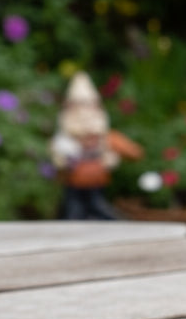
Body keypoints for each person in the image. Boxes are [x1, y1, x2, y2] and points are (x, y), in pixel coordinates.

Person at [49, 71, 143, 220]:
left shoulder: (104, 138)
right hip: (74, 182)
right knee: (74, 210)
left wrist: (110, 159)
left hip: (96, 182)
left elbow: (133, 152)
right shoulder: (66, 140)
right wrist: (63, 160)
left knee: (96, 206)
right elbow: (58, 154)